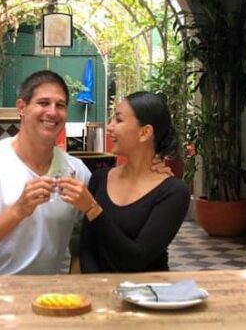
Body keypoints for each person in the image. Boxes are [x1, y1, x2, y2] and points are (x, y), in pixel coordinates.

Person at [0, 70, 93, 275]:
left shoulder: (77, 172)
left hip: (47, 298)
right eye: (43, 103)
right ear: (21, 108)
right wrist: (18, 210)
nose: (52, 112)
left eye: (60, 105)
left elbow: (99, 232)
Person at [77, 91, 190, 273]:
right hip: (98, 294)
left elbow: (136, 259)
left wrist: (93, 209)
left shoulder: (173, 192)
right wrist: (96, 288)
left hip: (147, 296)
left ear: (144, 132)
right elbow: (87, 249)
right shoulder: (99, 178)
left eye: (119, 120)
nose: (109, 127)